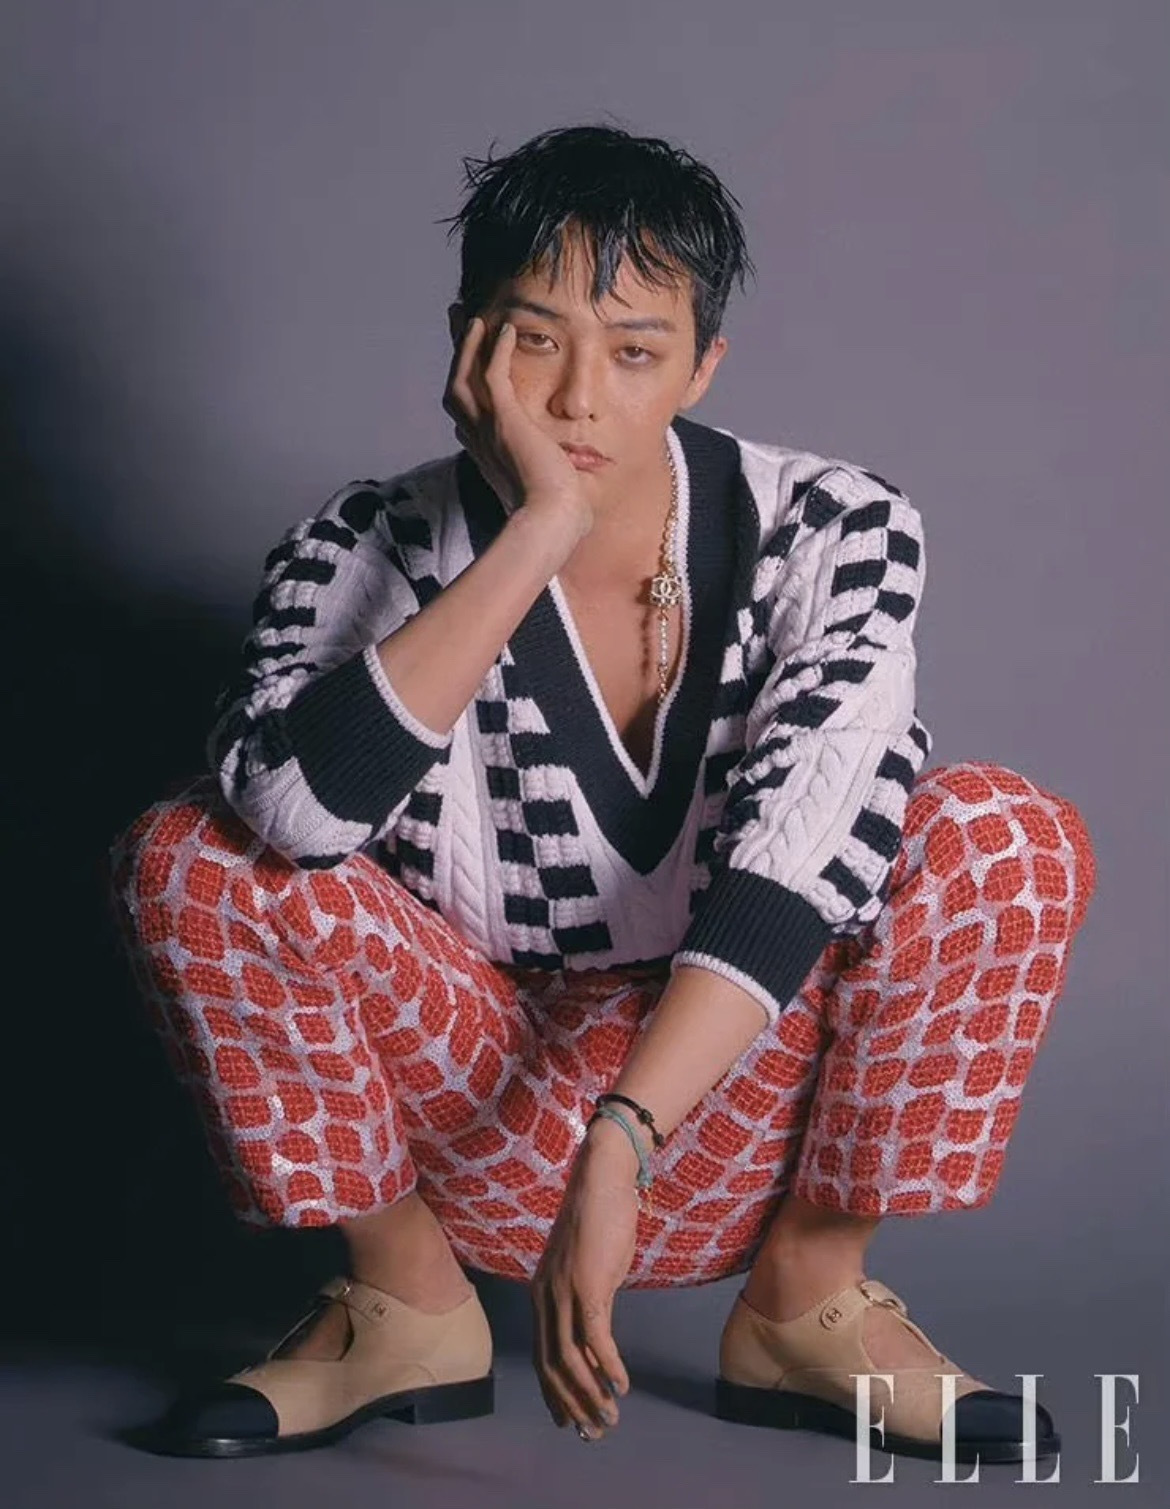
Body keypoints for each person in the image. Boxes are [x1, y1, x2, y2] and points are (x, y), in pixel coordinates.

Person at [109, 122, 1096, 1466]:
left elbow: (807, 851)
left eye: (633, 352)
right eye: (535, 339)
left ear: (700, 367)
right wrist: (534, 535)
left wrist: (625, 1134)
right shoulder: (356, 544)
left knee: (998, 834)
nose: (578, 397)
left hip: (730, 1104)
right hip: (470, 1108)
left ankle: (809, 1302)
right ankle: (406, 1305)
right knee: (192, 854)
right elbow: (291, 817)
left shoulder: (834, 523)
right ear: (465, 345)